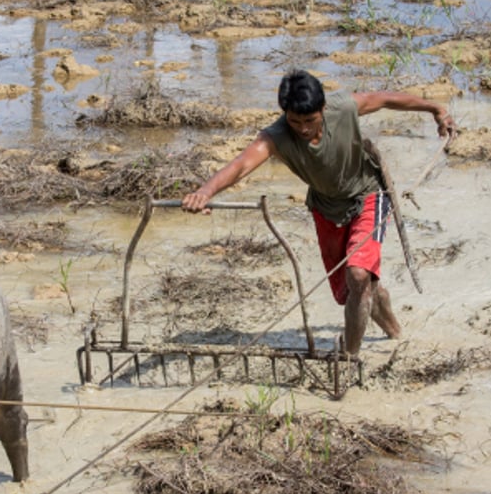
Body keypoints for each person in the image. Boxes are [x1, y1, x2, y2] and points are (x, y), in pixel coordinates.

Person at [181, 69, 456, 364]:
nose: (302, 128)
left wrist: (436, 109)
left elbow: (385, 99)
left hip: (368, 196)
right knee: (357, 287)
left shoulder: (344, 107)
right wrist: (206, 191)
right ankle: (395, 335)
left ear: (323, 109)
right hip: (326, 209)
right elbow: (240, 165)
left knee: (358, 274)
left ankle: (348, 361)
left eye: (309, 120)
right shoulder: (275, 137)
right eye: (294, 121)